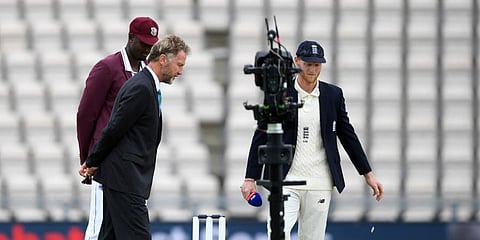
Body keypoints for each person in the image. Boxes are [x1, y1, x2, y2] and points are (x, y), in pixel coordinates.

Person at [240, 40, 384, 240]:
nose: (312, 69)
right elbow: (262, 134)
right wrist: (250, 178)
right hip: (285, 179)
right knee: (277, 235)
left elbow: (347, 134)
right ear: (297, 61)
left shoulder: (333, 94)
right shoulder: (280, 93)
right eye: (308, 64)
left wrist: (368, 174)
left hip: (320, 181)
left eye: (317, 65)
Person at [79, 34, 190, 239]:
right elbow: (114, 128)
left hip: (121, 179)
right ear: (163, 59)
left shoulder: (145, 85)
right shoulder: (141, 87)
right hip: (125, 180)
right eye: (179, 65)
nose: (180, 72)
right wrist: (93, 161)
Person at [76, 16, 159, 240]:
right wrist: (89, 159)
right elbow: (86, 115)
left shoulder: (146, 74)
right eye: (143, 43)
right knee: (98, 228)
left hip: (127, 170)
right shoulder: (107, 68)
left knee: (109, 232)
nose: (147, 49)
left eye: (151, 46)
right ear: (130, 37)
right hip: (105, 163)